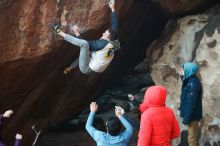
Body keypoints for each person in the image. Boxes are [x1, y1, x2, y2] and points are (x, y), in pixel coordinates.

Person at [51, 0, 120, 75]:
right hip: (99, 65)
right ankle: (70, 68)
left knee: (84, 44)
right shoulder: (113, 38)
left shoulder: (101, 44)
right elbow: (115, 25)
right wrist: (112, 8)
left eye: (105, 34)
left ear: (108, 38)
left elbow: (84, 43)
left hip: (87, 68)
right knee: (88, 51)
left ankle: (58, 32)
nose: (103, 33)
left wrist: (77, 33)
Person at [178, 63, 202, 146]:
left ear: (189, 71)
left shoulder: (193, 83)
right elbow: (185, 99)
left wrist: (187, 118)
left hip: (193, 116)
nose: (180, 71)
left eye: (182, 69)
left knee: (192, 139)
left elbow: (191, 103)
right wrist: (181, 109)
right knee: (192, 138)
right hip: (191, 115)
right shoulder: (188, 81)